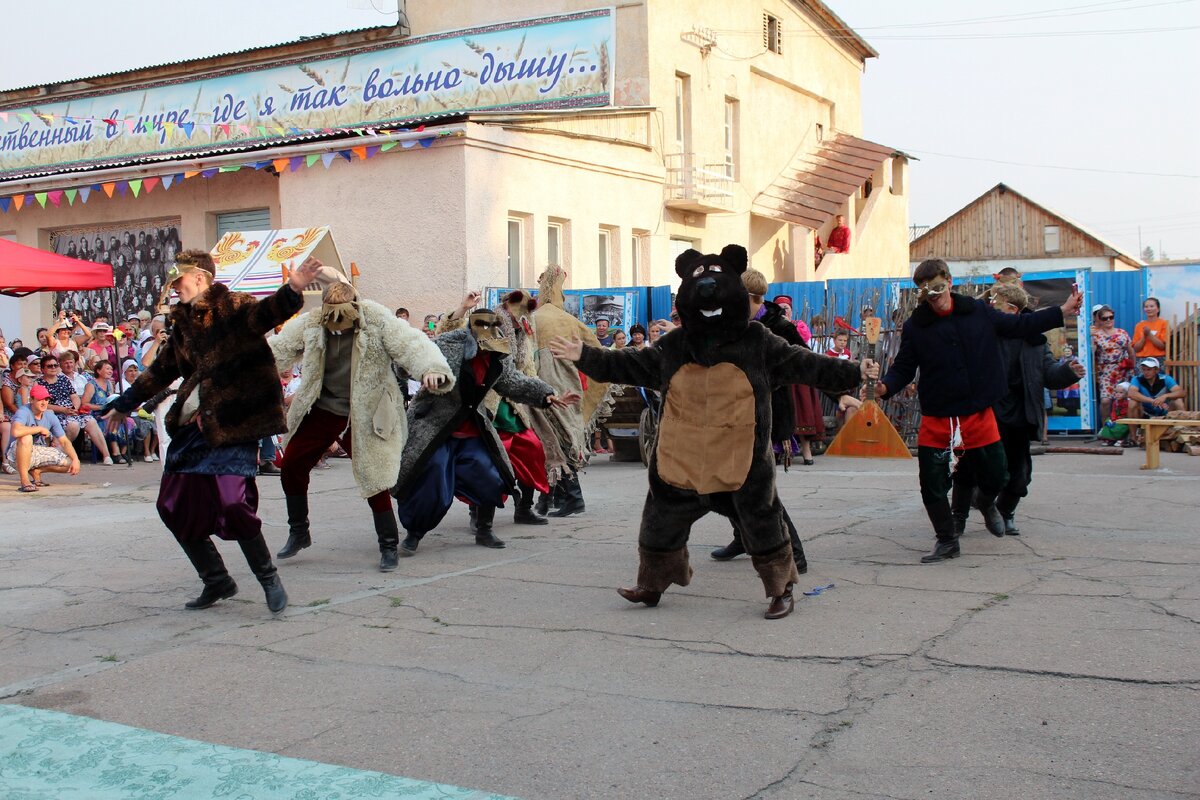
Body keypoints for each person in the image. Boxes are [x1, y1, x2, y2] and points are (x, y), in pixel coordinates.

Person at [103, 249, 319, 614]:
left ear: (200, 278)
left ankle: (268, 579)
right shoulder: (182, 324)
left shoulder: (233, 305)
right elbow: (160, 371)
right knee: (171, 506)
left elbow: (264, 314)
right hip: (193, 426)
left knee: (234, 503)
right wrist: (123, 403)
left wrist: (292, 291)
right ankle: (216, 579)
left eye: (180, 281)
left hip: (234, 422)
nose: (175, 289)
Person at [874, 259, 1081, 564]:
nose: (933, 294)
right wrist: (885, 387)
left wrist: (1061, 312)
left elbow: (1019, 325)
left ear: (950, 282)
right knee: (931, 484)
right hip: (939, 416)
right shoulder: (917, 326)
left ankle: (986, 503)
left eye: (938, 286)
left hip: (978, 412)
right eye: (925, 290)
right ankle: (947, 541)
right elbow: (904, 367)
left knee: (997, 475)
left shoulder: (978, 312)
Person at [269, 269, 454, 572]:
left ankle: (388, 545)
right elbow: (278, 349)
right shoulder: (313, 322)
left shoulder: (377, 319)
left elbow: (412, 344)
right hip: (324, 407)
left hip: (367, 411)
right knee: (291, 465)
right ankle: (299, 531)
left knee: (374, 478)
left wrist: (431, 368)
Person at [392, 308, 577, 556]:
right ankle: (414, 534)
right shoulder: (450, 343)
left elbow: (512, 381)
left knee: (490, 475)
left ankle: (484, 529)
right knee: (432, 483)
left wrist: (547, 394)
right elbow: (410, 360)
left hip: (473, 426)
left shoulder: (498, 352)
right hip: (437, 426)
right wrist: (427, 372)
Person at [709, 268, 828, 570]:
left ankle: (794, 552)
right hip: (730, 415)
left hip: (765, 414)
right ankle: (744, 538)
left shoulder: (778, 326)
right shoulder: (727, 324)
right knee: (727, 485)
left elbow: (807, 363)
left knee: (759, 490)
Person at [950, 282, 1086, 536]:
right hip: (985, 410)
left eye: (995, 304)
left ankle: (1005, 511)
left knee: (1020, 474)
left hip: (1020, 414)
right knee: (968, 467)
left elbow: (1049, 373)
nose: (990, 308)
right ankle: (958, 518)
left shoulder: (1035, 340)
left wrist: (1068, 372)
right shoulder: (983, 334)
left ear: (1012, 309)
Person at [5, 384, 80, 492]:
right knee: (26, 438)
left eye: (46, 399)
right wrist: (39, 429)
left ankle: (36, 471)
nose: (44, 402)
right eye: (40, 399)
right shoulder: (23, 411)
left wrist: (76, 459)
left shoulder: (50, 416)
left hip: (37, 452)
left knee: (70, 463)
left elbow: (64, 441)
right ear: (31, 400)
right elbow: (16, 431)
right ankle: (25, 481)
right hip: (16, 453)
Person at [37, 354, 109, 463]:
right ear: (43, 369)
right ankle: (59, 452)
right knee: (73, 425)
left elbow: (74, 396)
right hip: (55, 412)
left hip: (71, 409)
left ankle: (106, 456)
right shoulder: (39, 383)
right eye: (49, 366)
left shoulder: (63, 379)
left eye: (55, 365)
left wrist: (74, 408)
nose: (53, 368)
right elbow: (42, 404)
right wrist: (63, 410)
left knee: (91, 421)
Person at [1091, 305, 1134, 430]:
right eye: (1105, 318)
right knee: (1105, 401)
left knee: (1123, 401)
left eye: (1111, 317)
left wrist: (1132, 368)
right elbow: (1092, 354)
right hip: (1105, 372)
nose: (1109, 320)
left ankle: (1124, 430)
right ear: (1100, 320)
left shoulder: (1122, 333)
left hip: (1122, 370)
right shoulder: (1096, 336)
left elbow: (1131, 352)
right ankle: (1106, 430)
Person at [1132, 297, 1168, 362]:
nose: (1148, 309)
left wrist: (1149, 334)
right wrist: (1144, 336)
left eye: (1151, 306)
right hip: (1142, 359)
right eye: (1146, 307)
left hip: (1158, 358)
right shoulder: (1139, 325)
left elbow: (1162, 346)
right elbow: (1136, 349)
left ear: (1158, 309)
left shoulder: (1164, 323)